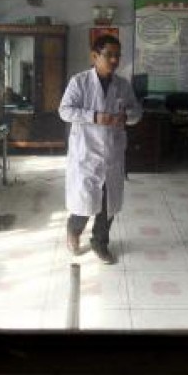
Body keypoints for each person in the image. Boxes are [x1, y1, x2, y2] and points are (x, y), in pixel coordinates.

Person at [59, 34, 142, 264]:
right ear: (95, 56)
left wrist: (128, 116)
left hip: (112, 155)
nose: (115, 60)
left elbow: (137, 111)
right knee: (84, 204)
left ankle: (100, 243)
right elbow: (65, 111)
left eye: (118, 55)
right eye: (109, 55)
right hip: (86, 154)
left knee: (109, 205)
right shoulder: (80, 82)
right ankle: (73, 231)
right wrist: (95, 116)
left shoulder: (123, 85)